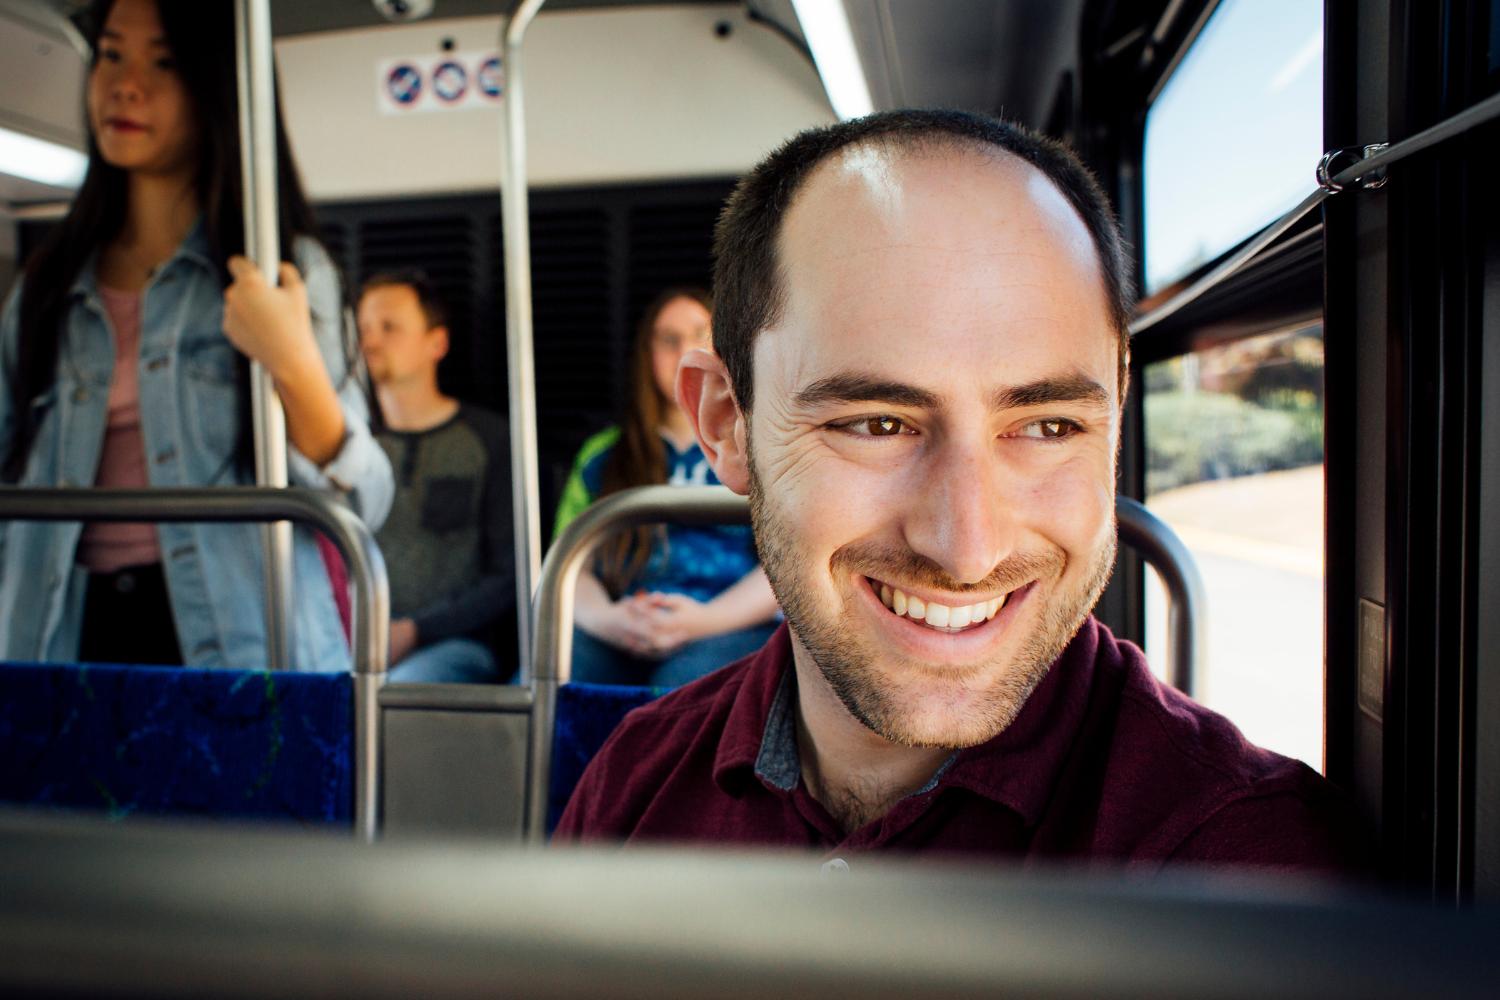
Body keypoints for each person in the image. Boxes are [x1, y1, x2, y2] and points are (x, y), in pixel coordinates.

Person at [555, 110, 1364, 871]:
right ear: (728, 422)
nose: (967, 547)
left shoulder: (1247, 868)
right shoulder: (631, 788)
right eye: (877, 424)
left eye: (1048, 426)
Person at [0, 0, 392, 671]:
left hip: (234, 635)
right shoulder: (49, 282)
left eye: (164, 62)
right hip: (58, 631)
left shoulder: (281, 269)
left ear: (215, 86)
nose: (126, 84)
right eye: (111, 55)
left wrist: (294, 364)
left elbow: (366, 503)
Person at [553, 288, 780, 689]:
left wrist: (704, 621)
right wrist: (608, 619)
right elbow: (568, 563)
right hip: (622, 623)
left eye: (699, 335)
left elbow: (785, 566)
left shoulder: (759, 447)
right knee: (559, 670)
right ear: (647, 354)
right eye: (668, 340)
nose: (684, 352)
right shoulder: (603, 454)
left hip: (727, 625)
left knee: (683, 686)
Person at [357, 272, 513, 683]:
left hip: (458, 645)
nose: (370, 342)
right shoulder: (347, 446)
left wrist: (416, 629)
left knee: (397, 693)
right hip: (352, 640)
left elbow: (511, 573)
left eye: (389, 327)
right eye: (362, 330)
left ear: (437, 343)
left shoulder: (490, 441)